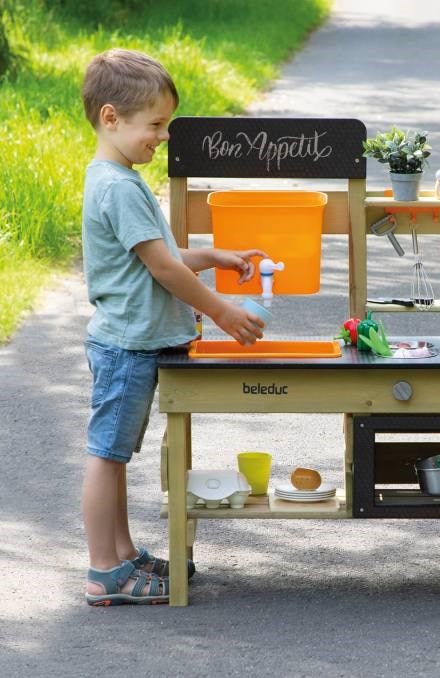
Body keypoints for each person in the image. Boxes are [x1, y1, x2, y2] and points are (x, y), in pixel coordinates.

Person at [80, 48, 267, 605]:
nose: (161, 138)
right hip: (127, 344)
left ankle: (124, 554)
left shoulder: (119, 178)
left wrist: (213, 256)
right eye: (155, 126)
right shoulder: (118, 185)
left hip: (132, 342)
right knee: (106, 456)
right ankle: (102, 570)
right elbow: (160, 267)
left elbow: (160, 254)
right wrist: (223, 311)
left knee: (115, 457)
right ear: (111, 118)